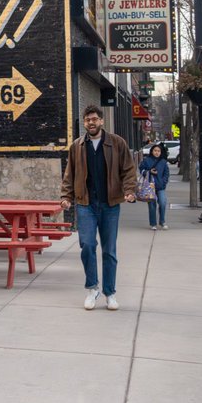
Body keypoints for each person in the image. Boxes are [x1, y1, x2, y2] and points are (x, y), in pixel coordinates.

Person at [61, 104, 137, 311]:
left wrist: (130, 191)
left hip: (110, 204)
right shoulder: (77, 146)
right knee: (87, 245)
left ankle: (110, 293)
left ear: (101, 121)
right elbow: (70, 175)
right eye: (87, 120)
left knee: (109, 250)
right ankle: (92, 288)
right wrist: (66, 197)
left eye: (94, 119)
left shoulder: (117, 143)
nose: (91, 123)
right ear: (84, 123)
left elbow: (128, 170)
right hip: (86, 203)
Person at [139, 143, 170, 229]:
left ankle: (162, 221)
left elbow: (166, 174)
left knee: (163, 203)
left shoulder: (163, 162)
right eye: (155, 151)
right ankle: (153, 224)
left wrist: (164, 182)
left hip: (160, 186)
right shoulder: (146, 160)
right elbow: (141, 170)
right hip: (150, 186)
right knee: (152, 205)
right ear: (152, 151)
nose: (157, 152)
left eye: (158, 151)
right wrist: (149, 172)